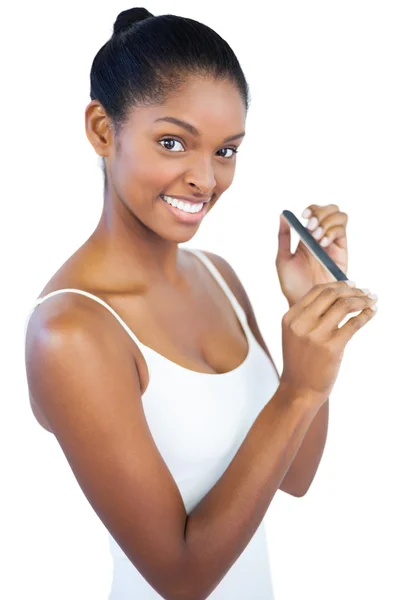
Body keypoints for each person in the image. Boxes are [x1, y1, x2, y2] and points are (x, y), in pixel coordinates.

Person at [24, 7, 378, 600]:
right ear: (102, 130)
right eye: (173, 142)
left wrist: (307, 304)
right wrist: (300, 389)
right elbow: (182, 580)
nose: (206, 179)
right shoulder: (72, 332)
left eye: (226, 151)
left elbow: (296, 476)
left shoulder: (220, 277)